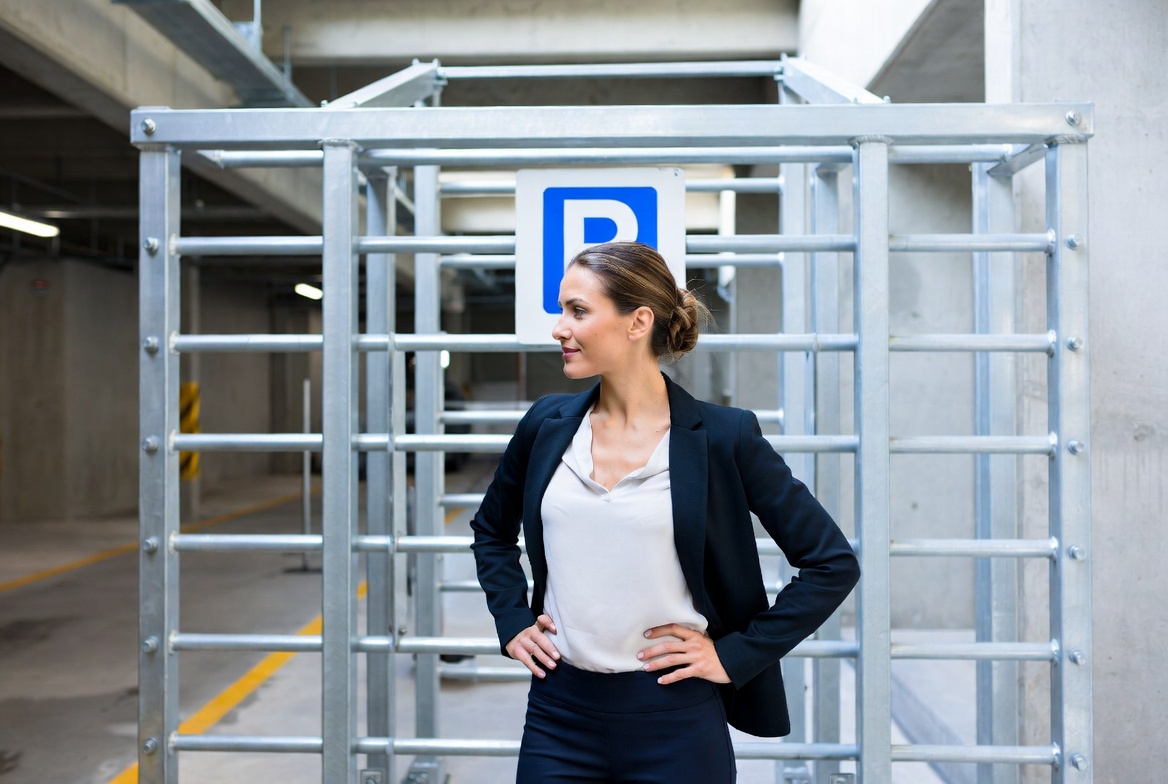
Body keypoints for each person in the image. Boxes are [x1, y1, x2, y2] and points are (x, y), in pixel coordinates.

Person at [470, 241, 859, 783]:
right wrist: (511, 619)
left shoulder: (724, 437)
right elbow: (491, 531)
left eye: (578, 311)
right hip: (559, 712)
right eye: (562, 310)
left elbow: (831, 563)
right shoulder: (546, 425)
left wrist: (734, 655)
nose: (560, 328)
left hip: (676, 718)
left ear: (639, 321)